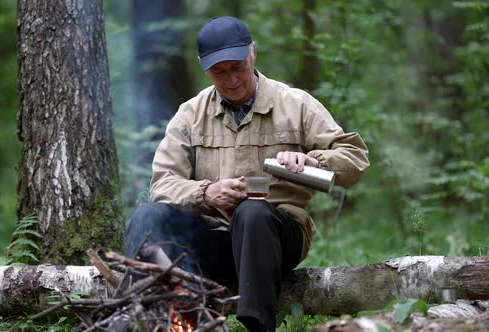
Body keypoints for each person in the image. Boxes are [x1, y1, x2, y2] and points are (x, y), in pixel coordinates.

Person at [124, 16, 369, 332]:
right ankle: (146, 319)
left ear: (253, 52)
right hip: (214, 238)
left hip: (277, 236)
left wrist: (312, 160)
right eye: (218, 72)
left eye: (238, 67)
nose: (231, 80)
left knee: (252, 212)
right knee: (147, 216)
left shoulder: (295, 104)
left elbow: (355, 159)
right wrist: (206, 193)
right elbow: (162, 184)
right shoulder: (190, 114)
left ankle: (259, 326)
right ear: (204, 68)